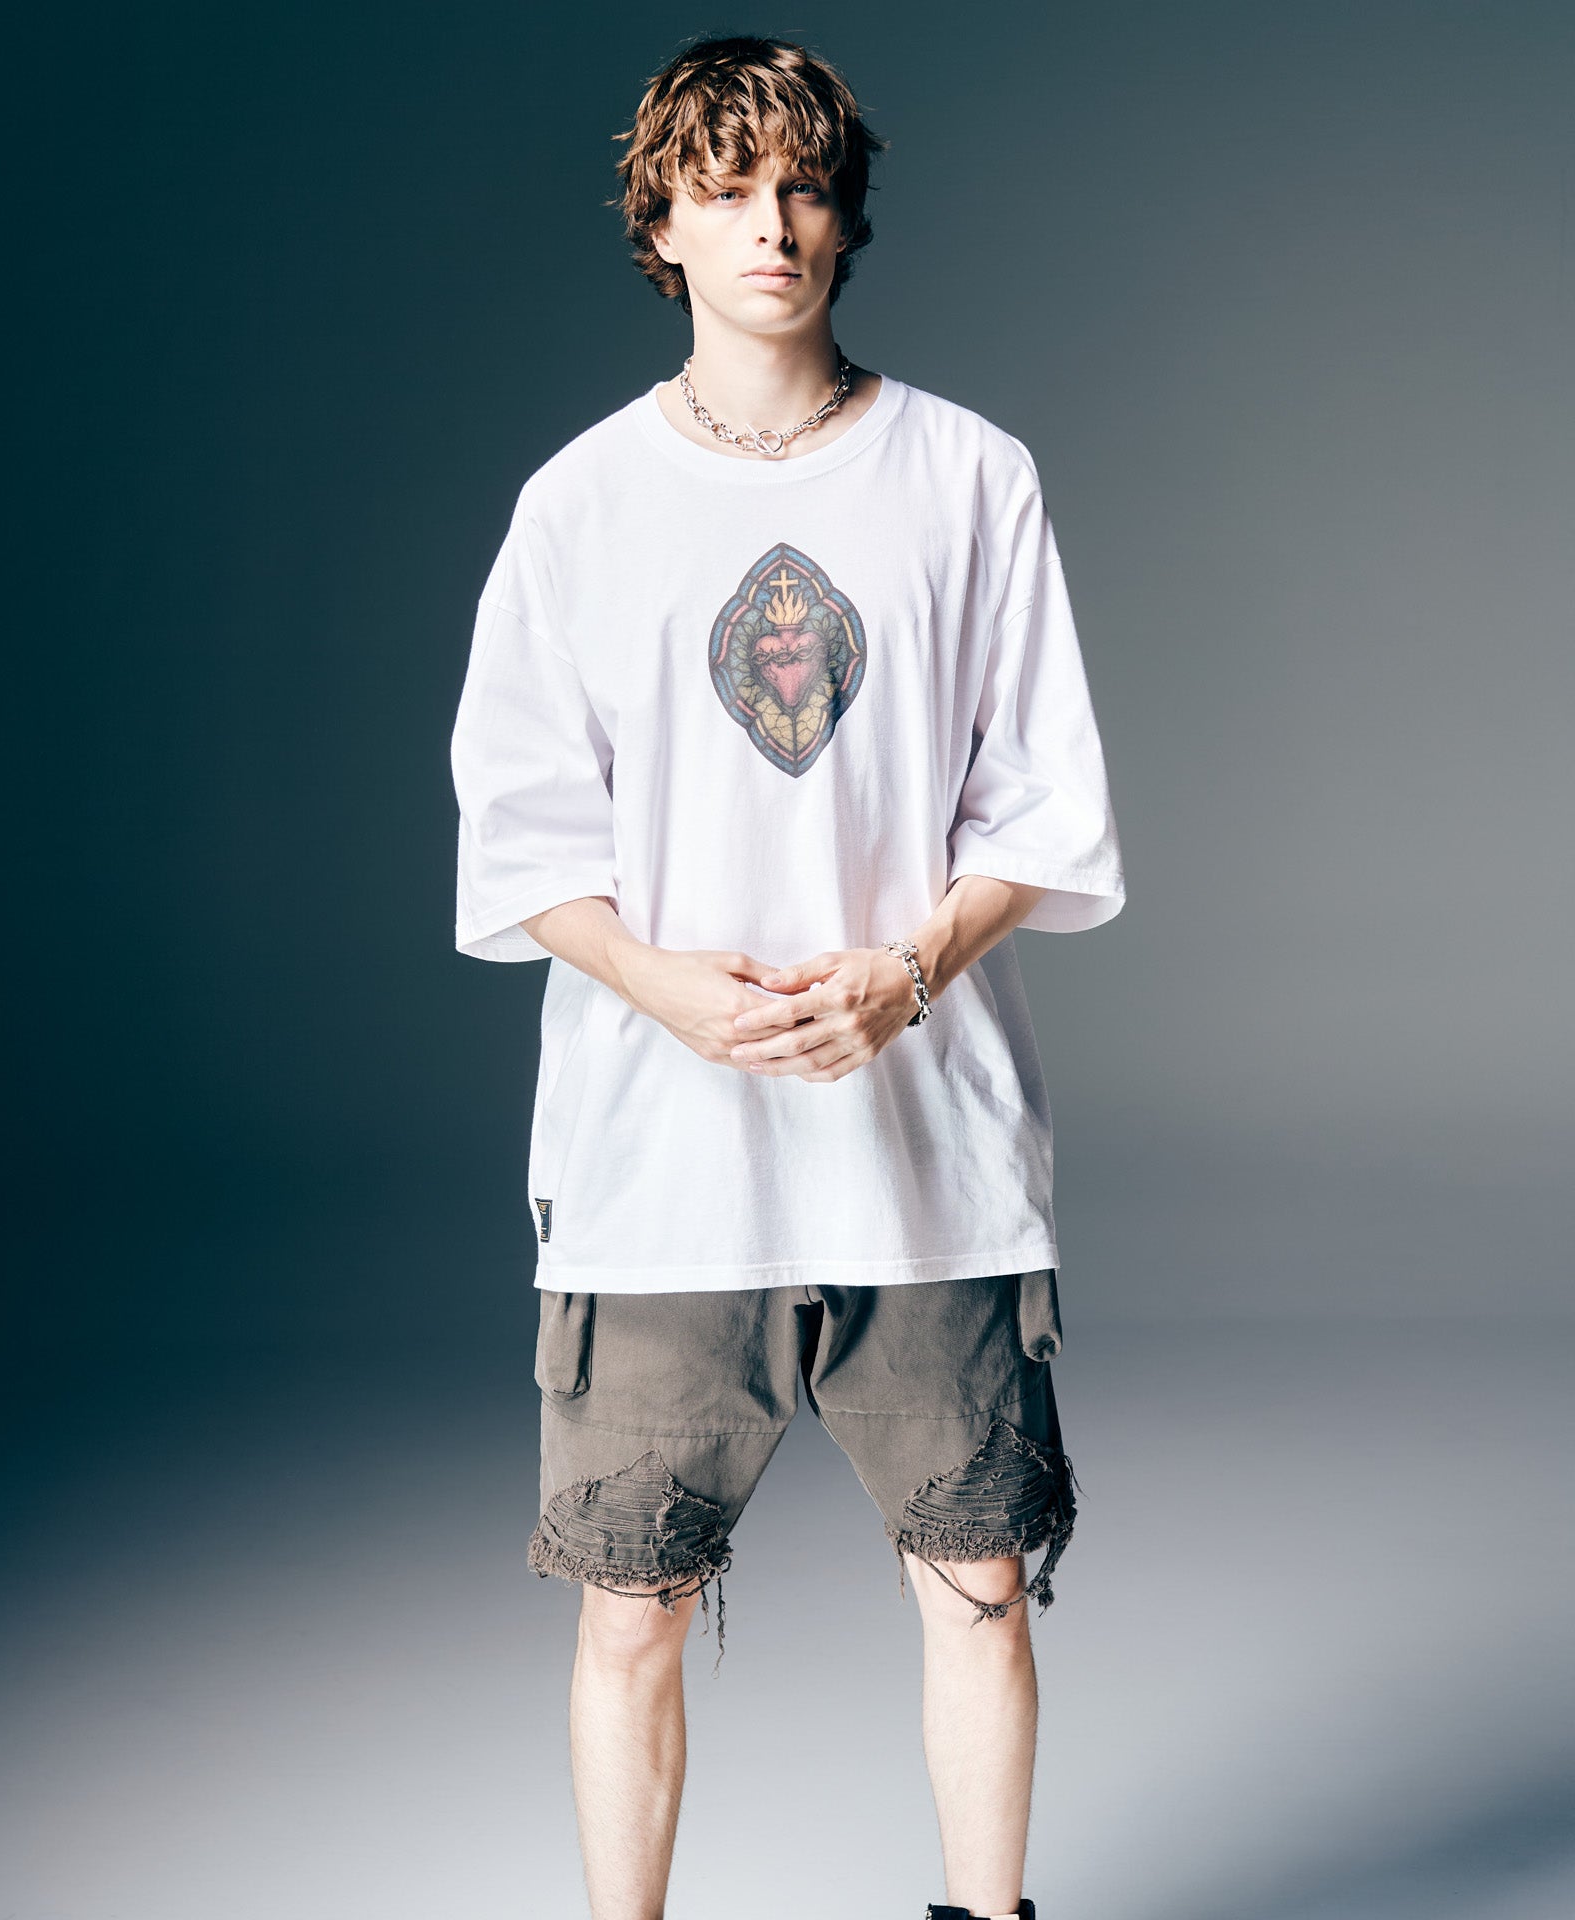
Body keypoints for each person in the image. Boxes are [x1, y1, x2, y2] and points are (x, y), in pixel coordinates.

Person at [449, 33, 1126, 1920]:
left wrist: (912, 970)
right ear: (660, 223)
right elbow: (519, 829)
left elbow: (1047, 806)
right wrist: (658, 985)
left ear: (848, 216)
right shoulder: (581, 503)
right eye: (728, 186)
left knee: (980, 1583)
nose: (774, 223)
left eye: (806, 184)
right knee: (629, 1609)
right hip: (662, 1156)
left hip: (927, 1146)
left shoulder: (970, 476)